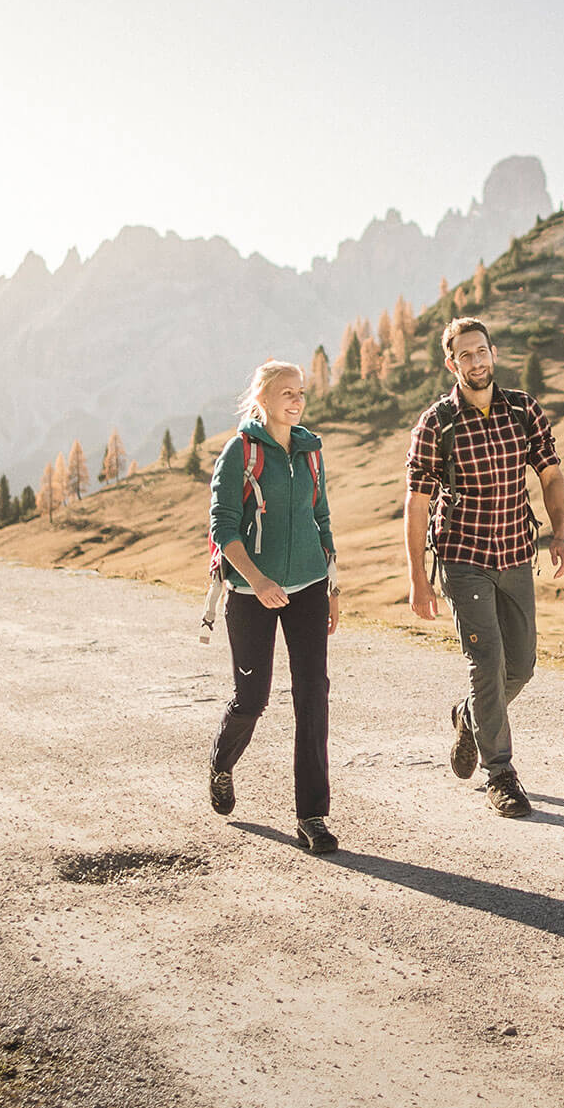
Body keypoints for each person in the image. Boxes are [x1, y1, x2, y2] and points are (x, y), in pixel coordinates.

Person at [405, 316, 564, 818]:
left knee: (521, 666)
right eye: (465, 355)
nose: (476, 362)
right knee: (487, 661)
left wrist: (560, 533)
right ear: (450, 363)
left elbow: (552, 476)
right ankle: (501, 774)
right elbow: (416, 504)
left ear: (493, 354)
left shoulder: (523, 410)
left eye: (482, 352)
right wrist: (418, 577)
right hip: (463, 558)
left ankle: (469, 717)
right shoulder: (437, 424)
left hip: (517, 553)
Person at [205, 360, 341, 853]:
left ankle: (313, 816)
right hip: (250, 593)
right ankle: (222, 763)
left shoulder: (310, 450)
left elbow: (321, 517)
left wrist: (332, 586)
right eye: (286, 391)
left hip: (307, 586)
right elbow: (224, 528)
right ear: (261, 397)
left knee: (312, 694)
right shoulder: (240, 451)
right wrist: (258, 579)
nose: (296, 399)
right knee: (253, 697)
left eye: (301, 392)